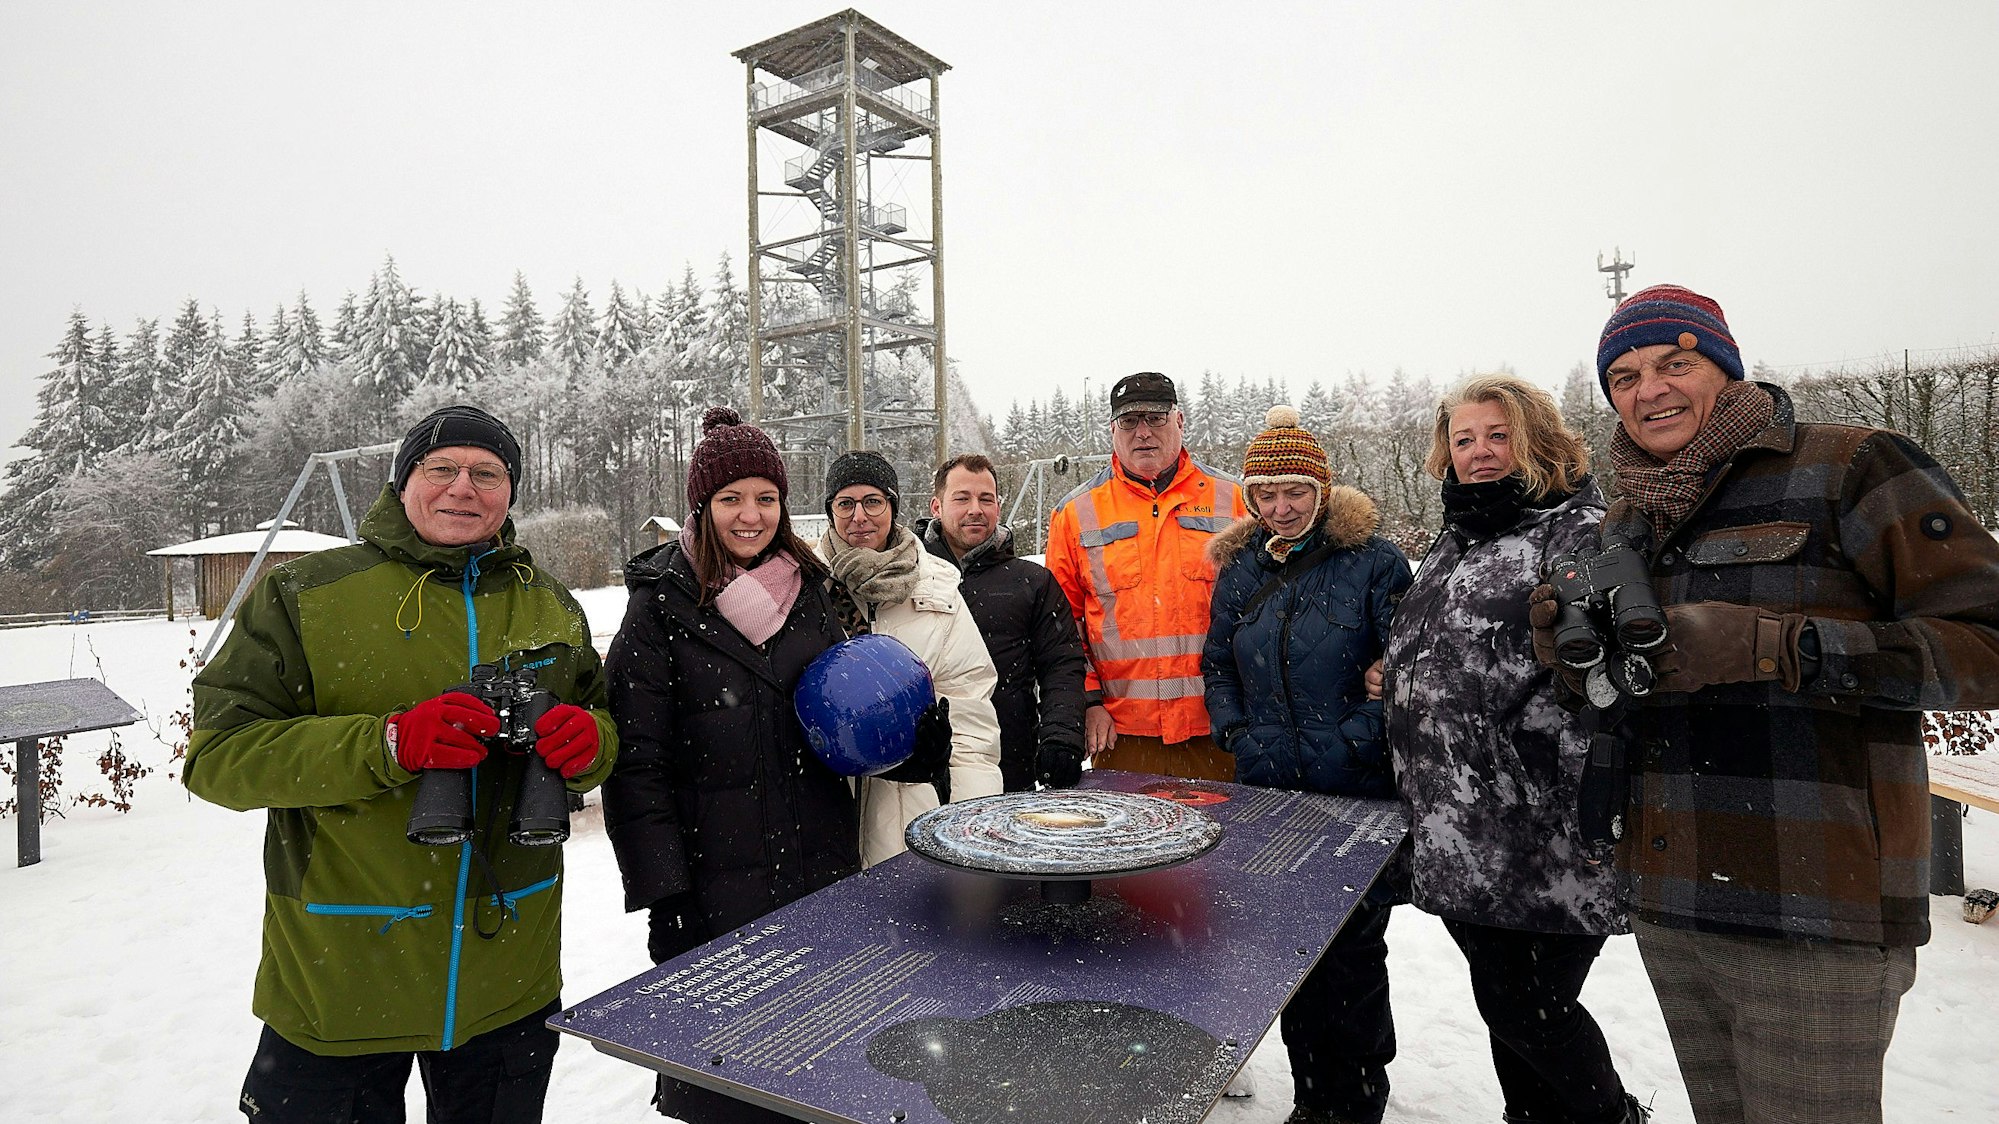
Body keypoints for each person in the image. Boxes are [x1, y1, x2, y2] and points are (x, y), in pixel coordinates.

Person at [1535, 285, 1999, 1124]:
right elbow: (1631, 692)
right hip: (1672, 897)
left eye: (1675, 364)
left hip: (1816, 903)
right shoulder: (1624, 524)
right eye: (1626, 376)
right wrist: (1577, 663)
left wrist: (1781, 648)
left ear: (1725, 367)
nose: (1650, 390)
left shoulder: (1849, 465)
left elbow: (1986, 647)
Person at [184, 405, 617, 1123]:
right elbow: (219, 759)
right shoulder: (308, 595)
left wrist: (591, 744)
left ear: (510, 491)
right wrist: (387, 744)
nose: (462, 488)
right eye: (440, 468)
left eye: (487, 473)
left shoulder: (550, 604)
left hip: (505, 968)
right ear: (402, 480)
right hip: (340, 969)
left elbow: (599, 724)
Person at [606, 408, 958, 1124]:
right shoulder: (658, 610)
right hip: (714, 887)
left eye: (765, 497)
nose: (750, 515)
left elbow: (840, 716)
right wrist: (664, 895)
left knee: (818, 1073)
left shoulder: (814, 594)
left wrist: (911, 755)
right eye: (731, 498)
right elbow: (636, 767)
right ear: (701, 508)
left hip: (818, 872)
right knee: (728, 1083)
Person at [1381, 375, 1645, 1124]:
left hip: (1543, 822)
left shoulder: (1580, 528)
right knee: (1511, 1003)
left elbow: (1598, 667)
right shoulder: (1457, 533)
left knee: (1528, 1004)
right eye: (1463, 440)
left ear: (1536, 440)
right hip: (1457, 819)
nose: (1479, 453)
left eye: (1497, 436)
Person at [1201, 406, 1412, 1124]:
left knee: (1353, 957)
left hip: (1352, 791)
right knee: (1292, 955)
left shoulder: (1374, 562)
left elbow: (1404, 670)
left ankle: (1353, 1106)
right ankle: (1310, 1100)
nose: (1280, 507)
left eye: (1294, 491)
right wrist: (1237, 733)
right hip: (1268, 790)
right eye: (1265, 494)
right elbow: (1218, 663)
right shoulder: (1239, 570)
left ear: (1321, 491)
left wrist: (1356, 734)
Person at [1045, 371, 1248, 781]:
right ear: (1113, 429)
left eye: (1155, 419)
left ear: (1180, 421)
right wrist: (1088, 703)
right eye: (1129, 421)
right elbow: (1061, 626)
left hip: (1220, 728)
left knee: (1229, 842)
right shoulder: (1075, 512)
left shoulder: (1235, 499)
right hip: (1122, 735)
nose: (1143, 433)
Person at [819, 448, 1004, 861]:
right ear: (829, 510)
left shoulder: (936, 591)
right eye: (845, 503)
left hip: (916, 814)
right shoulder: (805, 589)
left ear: (893, 506)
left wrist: (965, 815)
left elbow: (970, 712)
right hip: (828, 818)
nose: (859, 516)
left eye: (873, 501)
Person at [918, 453, 1089, 791]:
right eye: (962, 498)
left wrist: (1061, 736)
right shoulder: (909, 578)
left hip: (1007, 764)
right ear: (936, 506)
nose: (975, 510)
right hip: (922, 768)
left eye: (986, 499)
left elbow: (1062, 665)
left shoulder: (1031, 582)